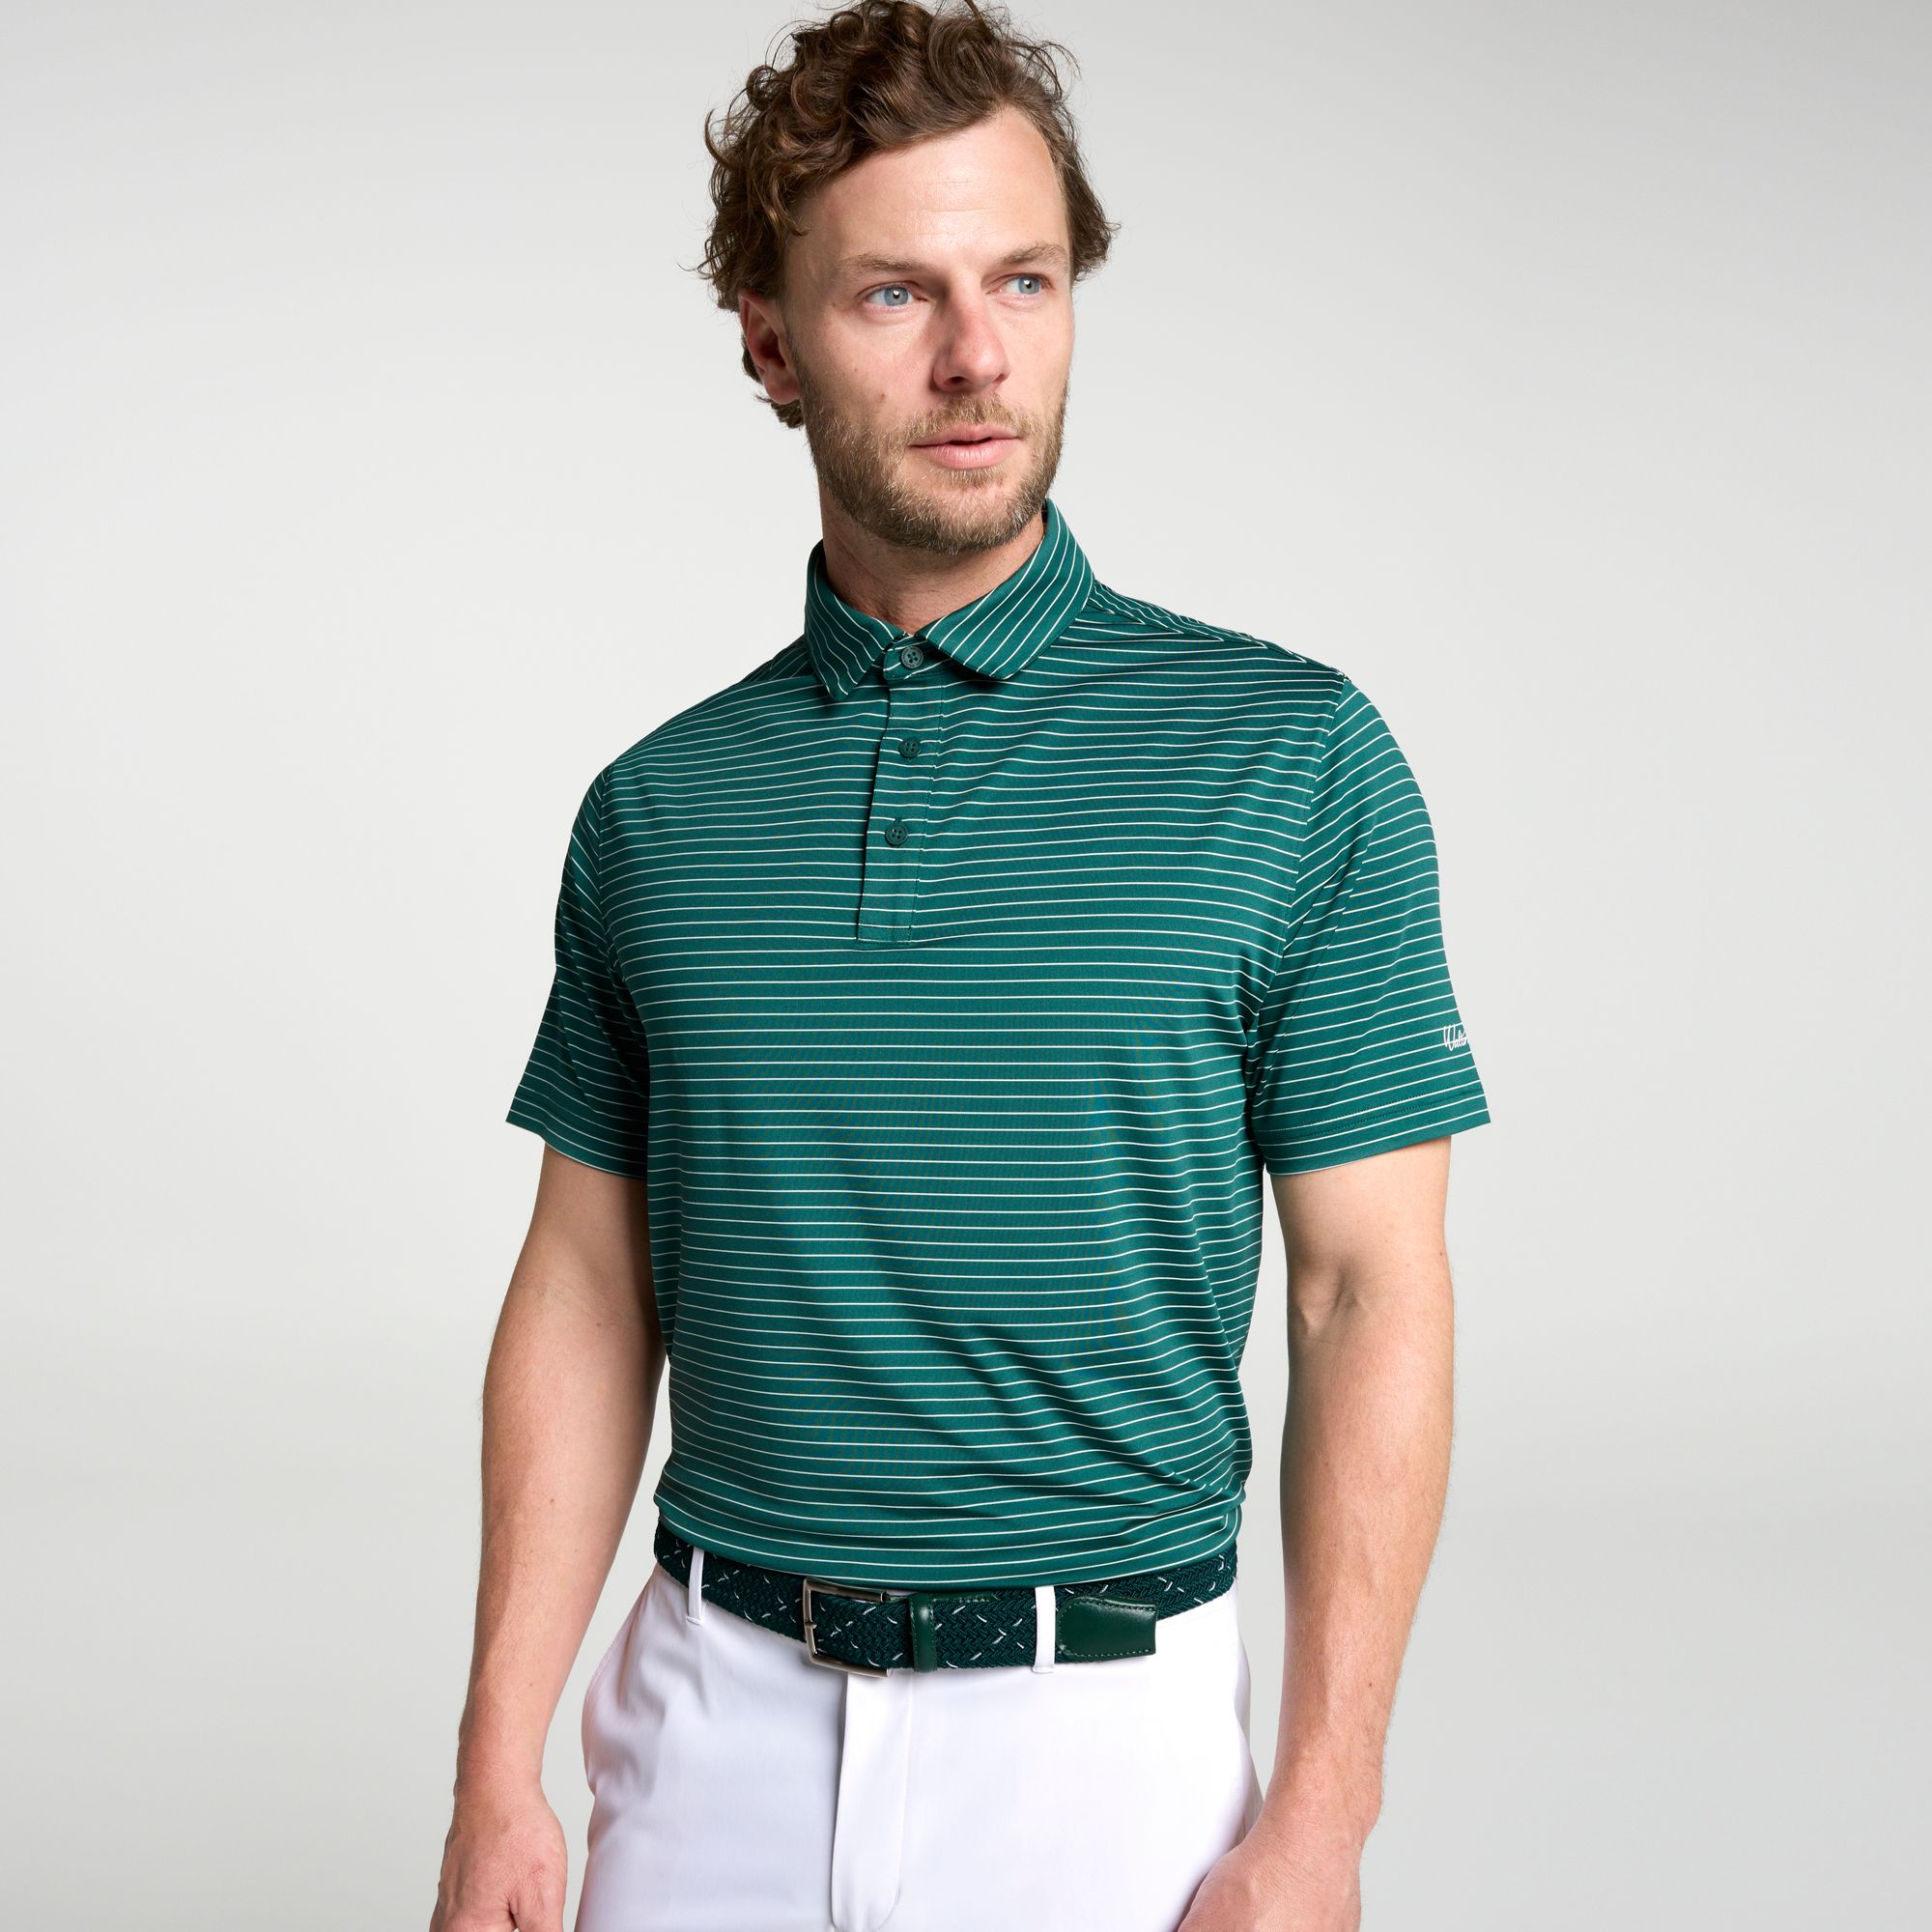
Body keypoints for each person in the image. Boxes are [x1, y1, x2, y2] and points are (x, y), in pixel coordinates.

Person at [430, 4, 1492, 1928]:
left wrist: (1324, 1816)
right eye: (892, 294)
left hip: (1103, 1751)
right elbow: (585, 1285)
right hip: (707, 1730)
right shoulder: (657, 809)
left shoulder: (1291, 758)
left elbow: (1366, 1293)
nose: (977, 355)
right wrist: (496, 1773)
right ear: (770, 342)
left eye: (1023, 278)